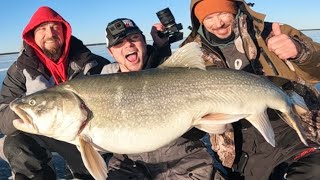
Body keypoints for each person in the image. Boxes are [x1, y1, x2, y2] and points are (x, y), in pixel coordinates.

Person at [181, 0, 320, 179]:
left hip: (293, 129)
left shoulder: (271, 32)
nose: (218, 23)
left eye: (223, 13)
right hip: (241, 144)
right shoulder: (191, 54)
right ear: (199, 21)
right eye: (209, 17)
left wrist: (300, 52)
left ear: (235, 9)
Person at [0, 6, 110, 179]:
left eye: (55, 27)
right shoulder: (19, 71)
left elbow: (131, 79)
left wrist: (161, 49)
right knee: (14, 143)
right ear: (32, 36)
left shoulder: (91, 62)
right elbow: (2, 118)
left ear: (64, 31)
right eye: (42, 28)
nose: (50, 33)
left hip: (84, 131)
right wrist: (27, 105)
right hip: (44, 131)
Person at [101, 18, 215, 179]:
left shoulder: (173, 70)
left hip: (186, 162)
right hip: (131, 166)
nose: (128, 45)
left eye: (134, 38)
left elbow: (200, 131)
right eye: (119, 43)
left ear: (143, 40)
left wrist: (162, 48)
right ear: (110, 52)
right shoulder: (102, 88)